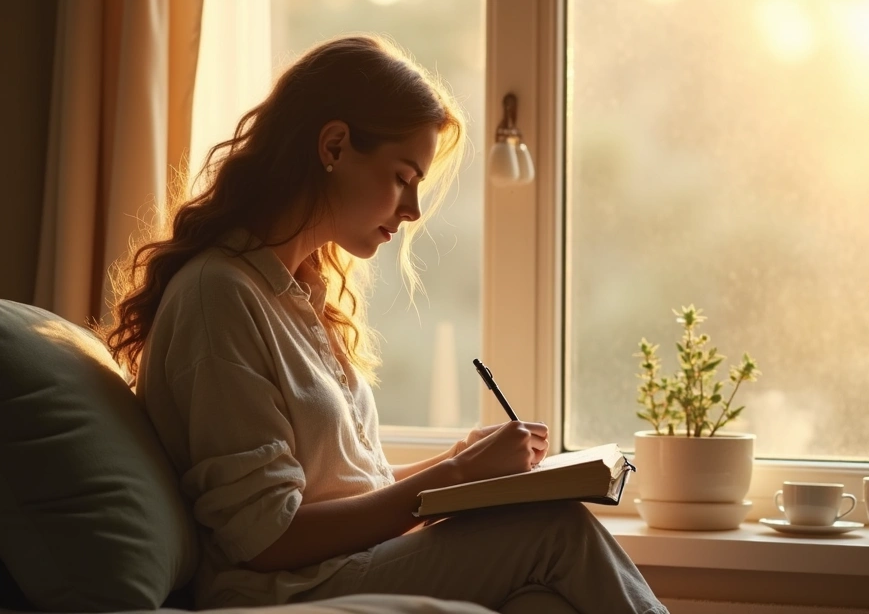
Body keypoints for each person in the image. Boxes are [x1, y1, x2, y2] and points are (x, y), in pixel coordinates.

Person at [101, 35, 666, 614]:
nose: (413, 209)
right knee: (554, 531)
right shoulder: (217, 298)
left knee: (542, 599)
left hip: (344, 565)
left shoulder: (298, 294)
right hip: (288, 587)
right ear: (335, 145)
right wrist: (455, 474)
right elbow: (267, 538)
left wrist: (463, 465)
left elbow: (344, 486)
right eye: (402, 177)